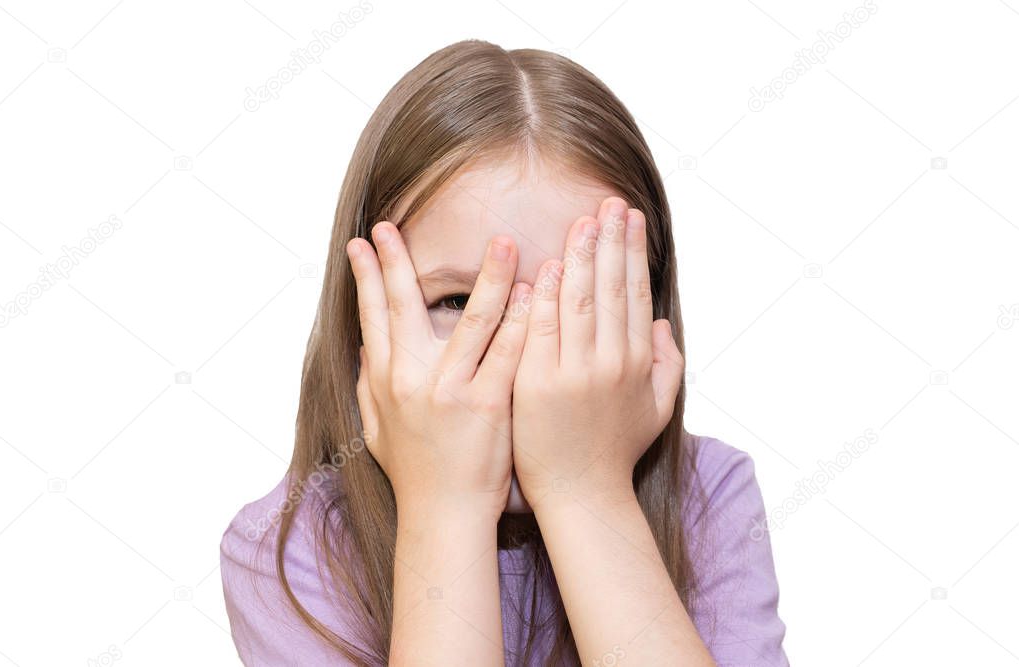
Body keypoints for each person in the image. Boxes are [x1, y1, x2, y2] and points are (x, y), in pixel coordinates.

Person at [220, 39, 789, 666]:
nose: (518, 359)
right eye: (461, 303)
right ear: (366, 321)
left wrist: (587, 490)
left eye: (573, 299)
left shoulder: (710, 500)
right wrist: (446, 503)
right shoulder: (288, 549)